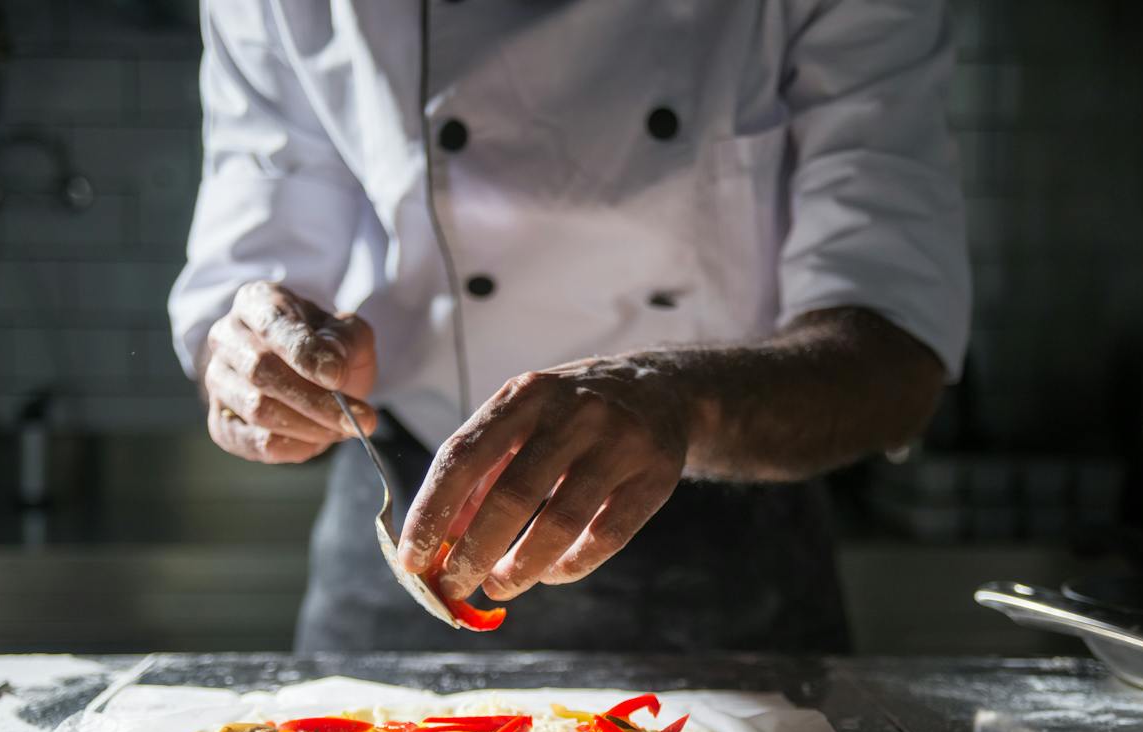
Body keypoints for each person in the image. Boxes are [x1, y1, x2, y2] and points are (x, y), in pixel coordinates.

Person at [168, 1, 970, 654]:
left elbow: (896, 354)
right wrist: (254, 361)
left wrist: (678, 402)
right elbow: (248, 277)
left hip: (728, 548)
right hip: (403, 531)